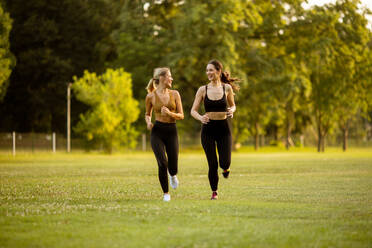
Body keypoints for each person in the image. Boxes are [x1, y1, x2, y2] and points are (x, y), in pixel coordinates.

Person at [191, 59, 239, 200]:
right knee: (212, 163)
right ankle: (214, 192)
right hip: (208, 130)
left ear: (218, 71)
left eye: (211, 70)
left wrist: (232, 110)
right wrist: (200, 118)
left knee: (225, 162)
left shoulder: (226, 88)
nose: (208, 73)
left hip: (223, 129)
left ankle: (226, 168)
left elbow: (233, 105)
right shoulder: (203, 90)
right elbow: (193, 111)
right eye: (207, 70)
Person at [145, 67, 184, 202]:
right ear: (162, 78)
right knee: (162, 163)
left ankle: (172, 175)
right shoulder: (150, 96)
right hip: (157, 132)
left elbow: (181, 115)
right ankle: (166, 193)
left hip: (171, 131)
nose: (172, 79)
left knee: (173, 166)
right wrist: (148, 123)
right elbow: (147, 114)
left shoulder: (175, 94)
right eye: (170, 76)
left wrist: (170, 113)